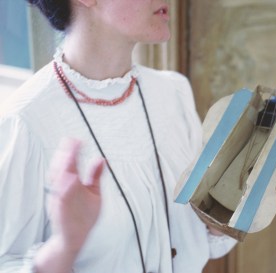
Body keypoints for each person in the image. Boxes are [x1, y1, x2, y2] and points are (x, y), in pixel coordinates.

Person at [0, 1, 240, 272]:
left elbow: (204, 244)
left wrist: (240, 188)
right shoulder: (24, 123)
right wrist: (65, 246)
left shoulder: (174, 92)